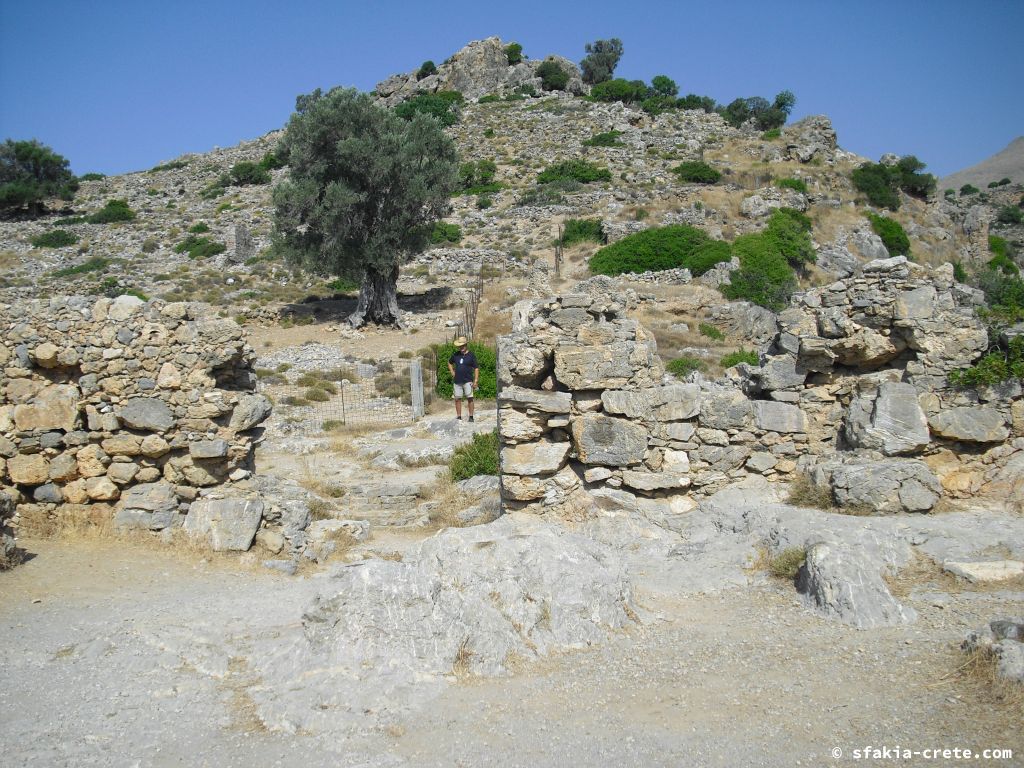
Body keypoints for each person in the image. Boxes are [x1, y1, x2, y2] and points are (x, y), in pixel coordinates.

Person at [448, 336, 479, 422]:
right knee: (457, 399)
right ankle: (459, 417)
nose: (461, 348)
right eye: (459, 346)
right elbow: (449, 363)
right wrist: (452, 371)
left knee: (470, 398)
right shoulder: (456, 355)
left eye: (462, 346)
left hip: (468, 380)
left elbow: (476, 368)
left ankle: (471, 416)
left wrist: (475, 380)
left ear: (466, 345)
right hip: (457, 381)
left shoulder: (471, 355)